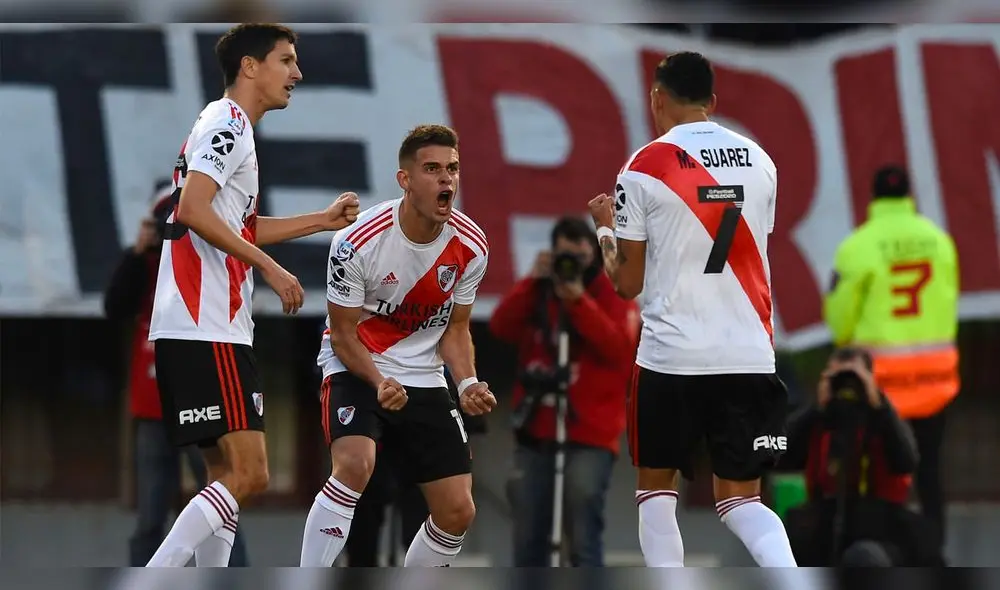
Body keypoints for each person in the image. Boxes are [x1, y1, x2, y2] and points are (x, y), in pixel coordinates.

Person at [144, 23, 361, 567]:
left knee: (225, 477)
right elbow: (191, 210)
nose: (297, 73)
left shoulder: (227, 125)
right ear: (250, 66)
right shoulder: (228, 121)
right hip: (207, 321)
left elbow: (232, 223)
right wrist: (269, 268)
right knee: (252, 473)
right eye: (286, 60)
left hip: (205, 323)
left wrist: (321, 221)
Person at [587, 51, 797, 567]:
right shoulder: (761, 161)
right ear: (713, 102)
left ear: (657, 98)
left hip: (672, 357)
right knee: (743, 501)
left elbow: (627, 283)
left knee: (656, 497)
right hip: (747, 352)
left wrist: (604, 229)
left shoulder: (643, 166)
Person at [299, 124, 496, 567]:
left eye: (453, 168)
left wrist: (467, 383)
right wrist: (379, 380)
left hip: (423, 376)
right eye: (432, 169)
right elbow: (344, 333)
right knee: (354, 465)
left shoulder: (472, 245)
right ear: (404, 180)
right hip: (357, 364)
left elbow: (456, 329)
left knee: (457, 511)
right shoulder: (357, 242)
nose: (446, 180)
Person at [104, 181, 249, 566]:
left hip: (197, 397)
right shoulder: (143, 262)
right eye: (162, 219)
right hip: (153, 407)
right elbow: (114, 306)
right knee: (151, 513)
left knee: (222, 497)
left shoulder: (202, 256)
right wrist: (137, 254)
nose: (170, 224)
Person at [489, 216, 639, 566]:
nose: (571, 266)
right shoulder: (542, 289)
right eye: (563, 257)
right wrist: (532, 281)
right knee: (528, 531)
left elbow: (621, 350)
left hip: (590, 430)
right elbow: (500, 326)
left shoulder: (612, 290)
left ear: (594, 257)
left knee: (583, 527)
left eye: (579, 258)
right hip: (537, 427)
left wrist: (578, 301)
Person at [823, 165, 959, 552]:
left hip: (880, 389)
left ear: (874, 197)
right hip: (934, 383)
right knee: (929, 474)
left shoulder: (858, 246)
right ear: (909, 196)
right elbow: (948, 303)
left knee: (877, 477)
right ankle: (934, 555)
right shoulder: (940, 241)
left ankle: (880, 554)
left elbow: (840, 319)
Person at [778, 347, 942, 566]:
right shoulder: (819, 419)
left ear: (871, 381)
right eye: (838, 378)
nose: (847, 386)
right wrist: (816, 409)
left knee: (863, 557)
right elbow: (780, 457)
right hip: (825, 526)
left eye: (854, 378)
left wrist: (879, 407)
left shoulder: (884, 419)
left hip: (881, 531)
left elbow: (906, 461)